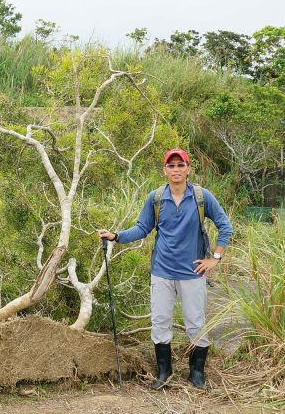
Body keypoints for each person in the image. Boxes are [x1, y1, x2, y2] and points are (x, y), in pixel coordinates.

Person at [96, 148, 233, 390]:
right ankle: (164, 371)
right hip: (161, 271)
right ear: (165, 170)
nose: (176, 170)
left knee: (196, 323)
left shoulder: (202, 197)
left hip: (193, 272)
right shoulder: (156, 198)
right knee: (160, 322)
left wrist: (215, 258)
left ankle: (197, 373)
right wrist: (116, 236)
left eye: (181, 166)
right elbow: (142, 228)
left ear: (188, 169)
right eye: (172, 166)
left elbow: (225, 226)